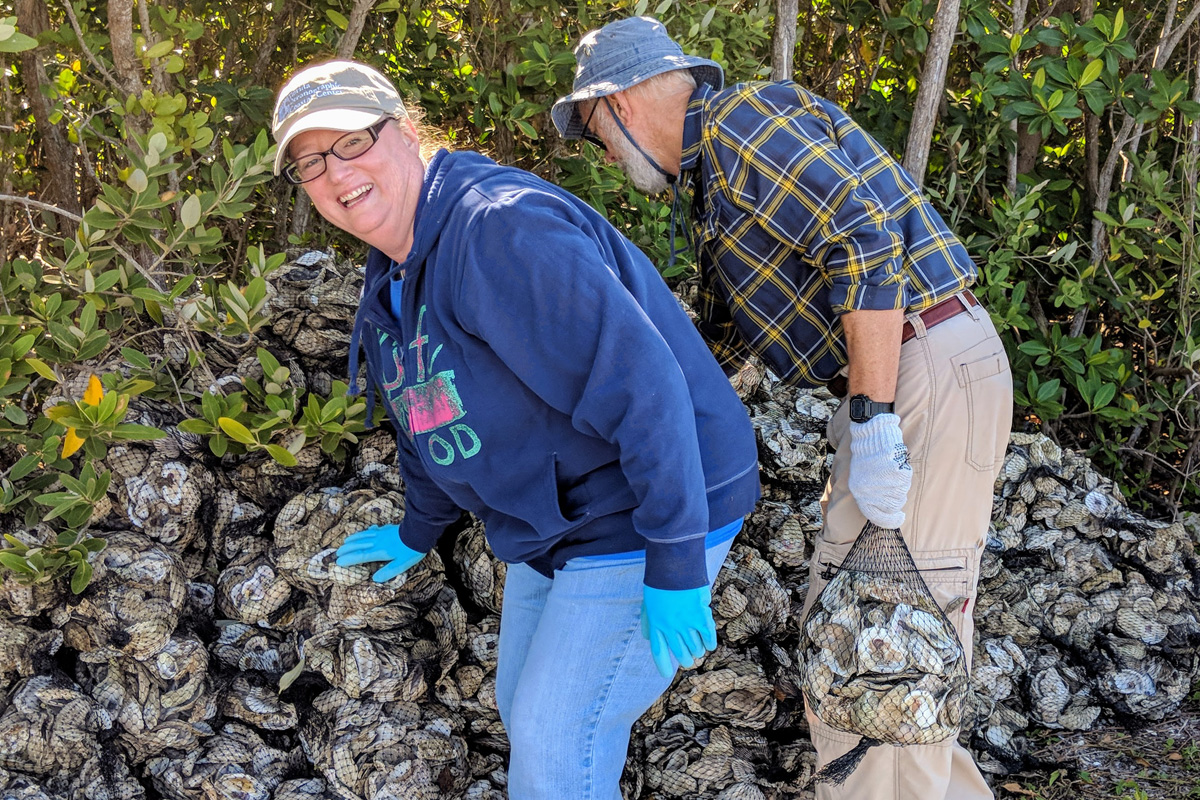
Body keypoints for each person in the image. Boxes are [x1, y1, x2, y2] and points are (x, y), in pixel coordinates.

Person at [270, 59, 760, 800]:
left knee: (560, 739)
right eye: (311, 162)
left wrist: (676, 557)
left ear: (403, 133)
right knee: (524, 714)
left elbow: (645, 384)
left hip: (643, 504)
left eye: (352, 143)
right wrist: (417, 527)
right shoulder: (396, 270)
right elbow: (426, 410)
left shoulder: (498, 230)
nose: (337, 173)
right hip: (556, 521)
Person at [553, 16, 1012, 800]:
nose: (602, 154)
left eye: (592, 133)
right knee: (885, 641)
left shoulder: (744, 124)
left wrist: (871, 416)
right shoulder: (717, 177)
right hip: (904, 366)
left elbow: (864, 239)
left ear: (619, 104)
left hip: (912, 367)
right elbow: (720, 348)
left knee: (876, 648)